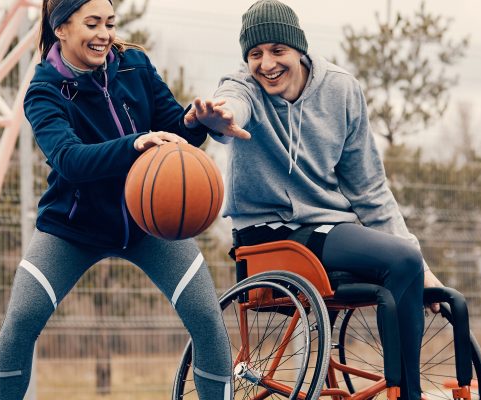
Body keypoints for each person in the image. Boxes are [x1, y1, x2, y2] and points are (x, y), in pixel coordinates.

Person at [184, 1, 446, 399]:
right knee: (402, 261)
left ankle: (399, 384)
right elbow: (230, 104)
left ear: (299, 49)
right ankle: (409, 395)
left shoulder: (340, 89)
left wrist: (422, 267)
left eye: (277, 51)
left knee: (407, 265)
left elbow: (370, 189)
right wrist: (220, 120)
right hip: (267, 235)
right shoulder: (243, 87)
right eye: (255, 54)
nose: (266, 63)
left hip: (328, 230)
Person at [0, 0, 232, 398]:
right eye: (93, 23)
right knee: (20, 322)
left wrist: (196, 121)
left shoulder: (135, 65)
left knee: (207, 317)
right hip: (73, 228)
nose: (104, 34)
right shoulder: (44, 91)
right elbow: (70, 160)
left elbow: (175, 133)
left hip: (149, 223)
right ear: (61, 28)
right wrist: (136, 143)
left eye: (110, 23)